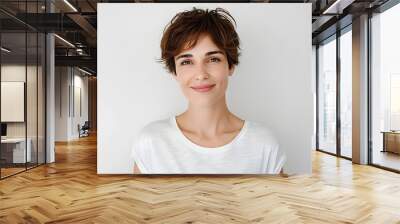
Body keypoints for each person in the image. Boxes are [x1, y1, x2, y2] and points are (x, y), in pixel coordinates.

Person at [131, 7, 286, 174]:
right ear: (174, 72)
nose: (201, 74)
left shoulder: (264, 144)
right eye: (186, 62)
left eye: (213, 59)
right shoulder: (151, 142)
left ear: (231, 66)